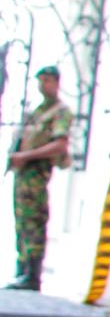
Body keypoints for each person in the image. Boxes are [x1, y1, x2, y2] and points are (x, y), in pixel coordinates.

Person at [8, 65, 74, 292]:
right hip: (23, 174)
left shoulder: (60, 112)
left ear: (56, 82)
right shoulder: (37, 111)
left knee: (34, 222)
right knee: (22, 221)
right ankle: (23, 268)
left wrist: (27, 156)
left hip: (37, 174)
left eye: (46, 80)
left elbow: (59, 144)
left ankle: (32, 274)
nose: (42, 85)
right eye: (40, 81)